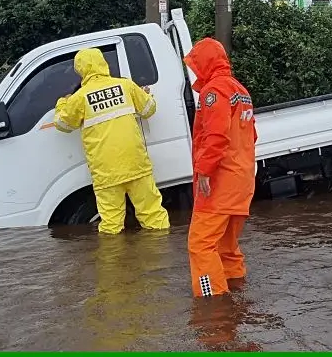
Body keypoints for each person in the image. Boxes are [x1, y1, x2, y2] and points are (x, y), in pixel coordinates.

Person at [53, 47, 170, 235]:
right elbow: (149, 109)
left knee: (111, 226)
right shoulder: (126, 86)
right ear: (103, 63)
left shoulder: (79, 98)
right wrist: (146, 94)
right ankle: (164, 259)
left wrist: (62, 103)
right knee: (153, 215)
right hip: (136, 164)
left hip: (106, 171)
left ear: (81, 70)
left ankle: (112, 262)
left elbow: (62, 125)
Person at [183, 37, 257, 299]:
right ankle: (236, 292)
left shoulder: (213, 92)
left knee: (200, 244)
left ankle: (212, 304)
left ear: (205, 64)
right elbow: (251, 137)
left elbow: (216, 136)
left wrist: (204, 170)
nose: (193, 70)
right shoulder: (240, 90)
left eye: (195, 65)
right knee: (226, 246)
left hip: (219, 182)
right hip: (241, 181)